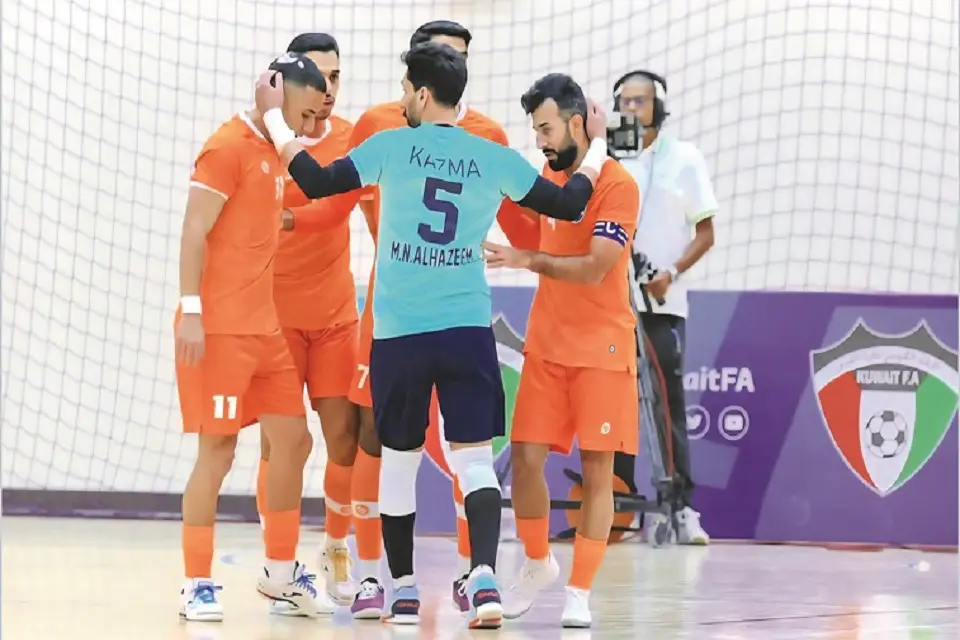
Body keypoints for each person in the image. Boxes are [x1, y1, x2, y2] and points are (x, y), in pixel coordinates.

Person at [254, 42, 609, 628]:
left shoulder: (391, 146)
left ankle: (402, 590)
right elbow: (570, 204)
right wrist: (595, 147)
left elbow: (314, 182)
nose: (401, 100)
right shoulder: (490, 155)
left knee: (398, 462)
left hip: (401, 333)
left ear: (422, 94)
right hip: (466, 330)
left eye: (404, 90)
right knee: (475, 462)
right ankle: (484, 579)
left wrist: (272, 119)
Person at [341, 20, 513, 617]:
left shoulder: (487, 134)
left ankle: (470, 572)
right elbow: (337, 204)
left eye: (460, 57)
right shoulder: (377, 123)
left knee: (456, 448)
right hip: (394, 307)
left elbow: (522, 224)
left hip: (432, 313)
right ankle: (371, 576)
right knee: (375, 437)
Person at [482, 73, 641, 629]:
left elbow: (596, 266)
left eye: (547, 128)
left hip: (602, 348)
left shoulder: (618, 184)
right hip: (547, 344)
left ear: (577, 123)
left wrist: (528, 260)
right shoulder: (548, 180)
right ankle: (537, 563)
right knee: (525, 459)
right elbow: (526, 226)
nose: (541, 140)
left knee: (598, 470)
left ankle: (580, 591)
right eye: (535, 130)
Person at [175, 53, 329, 622]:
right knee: (217, 452)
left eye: (317, 118)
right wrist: (192, 310)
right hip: (218, 330)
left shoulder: (276, 152)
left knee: (294, 440)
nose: (310, 127)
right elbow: (194, 230)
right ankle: (196, 583)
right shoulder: (226, 147)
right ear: (275, 91)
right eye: (305, 113)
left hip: (265, 330)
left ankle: (280, 574)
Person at [254, 33, 362, 616]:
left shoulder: (350, 137)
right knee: (282, 445)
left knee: (344, 439)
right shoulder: (264, 138)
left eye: (335, 77)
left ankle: (336, 547)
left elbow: (336, 207)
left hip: (335, 317)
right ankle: (280, 565)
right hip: (273, 318)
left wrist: (284, 216)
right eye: (317, 77)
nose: (327, 89)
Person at [615, 70, 717, 545]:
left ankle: (680, 507)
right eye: (625, 101)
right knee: (612, 406)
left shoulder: (685, 159)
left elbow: (706, 233)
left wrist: (670, 273)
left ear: (659, 107)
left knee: (666, 405)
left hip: (661, 303)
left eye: (641, 101)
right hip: (610, 306)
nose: (632, 109)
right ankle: (616, 507)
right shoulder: (608, 158)